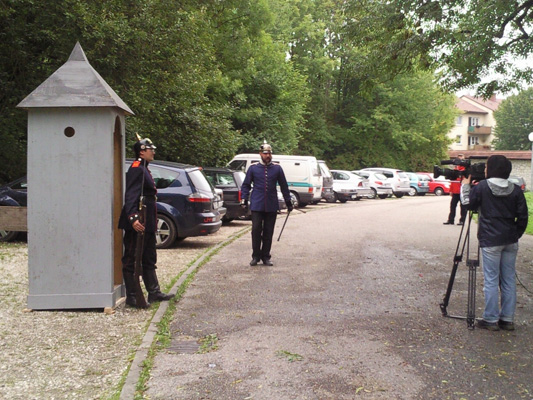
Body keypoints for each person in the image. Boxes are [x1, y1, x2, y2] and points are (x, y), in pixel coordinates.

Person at [460, 155, 528, 331]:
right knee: (508, 280)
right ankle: (507, 319)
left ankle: (490, 319)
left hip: (490, 240)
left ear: (491, 169)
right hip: (510, 240)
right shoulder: (515, 190)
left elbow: (467, 204)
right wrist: (516, 234)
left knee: (491, 280)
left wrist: (465, 186)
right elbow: (523, 217)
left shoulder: (482, 187)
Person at [118, 136, 174, 308]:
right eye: (151, 149)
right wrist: (133, 217)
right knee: (132, 258)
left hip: (147, 219)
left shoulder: (144, 168)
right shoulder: (137, 168)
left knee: (149, 256)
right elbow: (131, 195)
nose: (153, 152)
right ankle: (133, 296)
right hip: (138, 220)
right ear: (142, 151)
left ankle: (154, 291)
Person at [240, 141, 293, 266]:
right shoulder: (253, 168)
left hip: (271, 204)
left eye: (269, 153)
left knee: (268, 231)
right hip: (257, 204)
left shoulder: (277, 168)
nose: (267, 155)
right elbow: (246, 185)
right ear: (260, 154)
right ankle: (255, 256)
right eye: (265, 153)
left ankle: (266, 256)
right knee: (256, 231)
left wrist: (288, 202)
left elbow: (284, 186)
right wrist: (244, 199)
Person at [444, 153, 468, 225]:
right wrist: (450, 191)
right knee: (452, 206)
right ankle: (451, 220)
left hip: (462, 191)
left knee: (463, 207)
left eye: (461, 157)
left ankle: (462, 220)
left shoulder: (465, 170)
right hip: (455, 191)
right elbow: (452, 181)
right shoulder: (455, 169)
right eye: (459, 158)